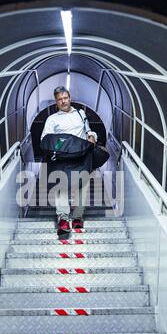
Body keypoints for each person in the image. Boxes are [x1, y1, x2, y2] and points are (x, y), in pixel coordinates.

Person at [40, 86, 98, 237]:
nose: (63, 101)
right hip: (62, 157)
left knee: (82, 186)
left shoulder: (80, 113)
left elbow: (88, 130)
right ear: (56, 102)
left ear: (69, 98)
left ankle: (78, 217)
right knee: (62, 186)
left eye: (65, 98)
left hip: (82, 156)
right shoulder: (52, 119)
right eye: (60, 99)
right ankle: (63, 219)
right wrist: (58, 146)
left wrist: (93, 136)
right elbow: (45, 139)